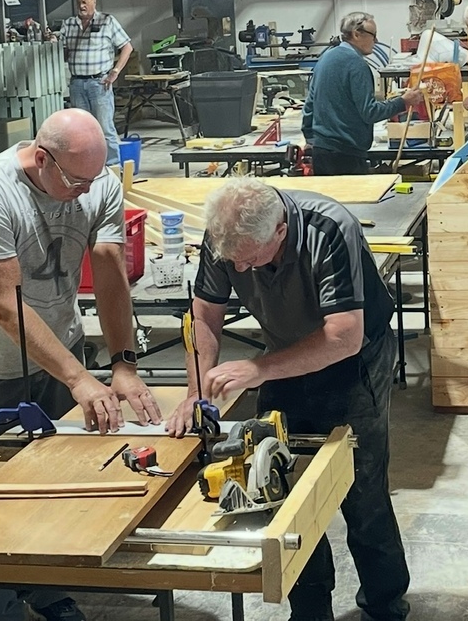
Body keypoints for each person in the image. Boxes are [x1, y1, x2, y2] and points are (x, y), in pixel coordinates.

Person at [0, 108, 163, 621]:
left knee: (62, 478)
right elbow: (4, 304)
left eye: (95, 178)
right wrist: (79, 377)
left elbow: (109, 274)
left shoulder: (97, 181)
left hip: (61, 349)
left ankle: (47, 586)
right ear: (41, 159)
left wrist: (123, 363)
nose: (88, 191)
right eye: (76, 180)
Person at [165, 177, 410, 621]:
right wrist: (196, 392)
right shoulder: (228, 234)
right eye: (233, 261)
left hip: (354, 359)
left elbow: (343, 338)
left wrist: (257, 370)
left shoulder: (329, 229)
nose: (241, 270)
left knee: (361, 487)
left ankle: (384, 605)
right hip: (285, 351)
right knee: (279, 484)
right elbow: (204, 313)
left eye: (251, 260)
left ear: (279, 232)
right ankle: (310, 611)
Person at [302, 11, 424, 175]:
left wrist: (311, 140)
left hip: (322, 152)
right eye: (373, 35)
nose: (376, 41)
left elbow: (309, 106)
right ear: (356, 34)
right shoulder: (356, 65)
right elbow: (369, 113)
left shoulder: (325, 58)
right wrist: (403, 101)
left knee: (327, 200)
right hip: (346, 156)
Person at [59, 0, 133, 165]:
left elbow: (127, 47)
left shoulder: (107, 21)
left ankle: (114, 169)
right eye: (78, 2)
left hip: (99, 83)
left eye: (85, 2)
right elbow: (63, 52)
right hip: (77, 84)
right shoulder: (68, 24)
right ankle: (88, 168)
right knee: (81, 130)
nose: (81, 6)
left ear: (94, 2)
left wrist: (115, 71)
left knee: (105, 129)